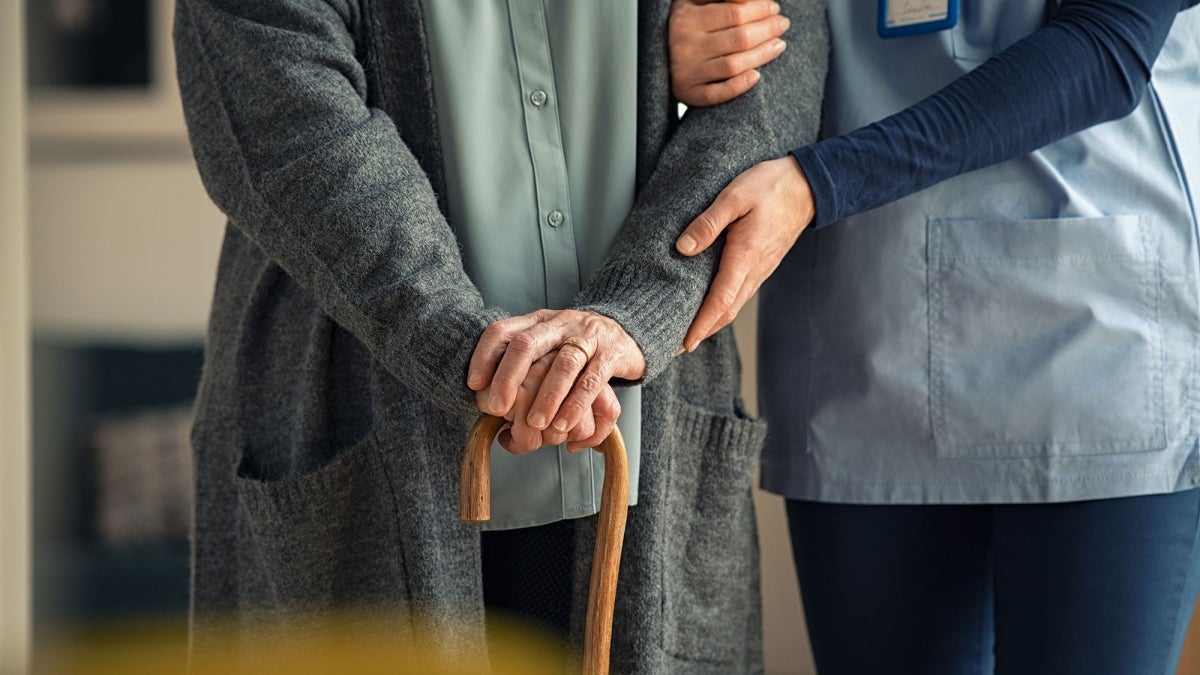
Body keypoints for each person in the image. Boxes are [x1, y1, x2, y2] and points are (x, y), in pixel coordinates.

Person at [173, 0, 825, 671]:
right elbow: (292, 125)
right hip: (363, 424)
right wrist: (479, 352)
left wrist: (638, 311)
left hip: (642, 432)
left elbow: (775, 62)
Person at [665, 1, 1200, 673]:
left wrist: (819, 182)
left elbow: (1107, 50)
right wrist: (668, 58)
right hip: (864, 338)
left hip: (1094, 354)